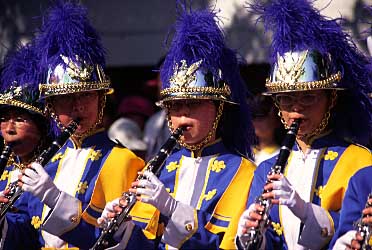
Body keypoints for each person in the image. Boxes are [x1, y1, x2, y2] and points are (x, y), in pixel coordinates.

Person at [98, 3, 256, 249]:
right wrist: (122, 230)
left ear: (219, 108)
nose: (182, 114)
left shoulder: (242, 171)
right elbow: (147, 242)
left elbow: (226, 243)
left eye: (192, 105)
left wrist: (172, 208)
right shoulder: (161, 166)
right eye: (174, 106)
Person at [0, 1, 144, 249]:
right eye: (66, 99)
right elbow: (26, 237)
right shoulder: (48, 161)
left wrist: (56, 199)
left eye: (85, 95)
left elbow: (111, 240)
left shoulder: (123, 161)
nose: (77, 106)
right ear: (52, 107)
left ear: (101, 99)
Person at [236, 0, 372, 249]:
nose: (296, 108)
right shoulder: (266, 168)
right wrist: (253, 237)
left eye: (308, 97)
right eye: (287, 98)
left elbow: (355, 233)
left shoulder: (360, 161)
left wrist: (306, 212)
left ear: (331, 99)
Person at [0, 43, 52, 249]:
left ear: (41, 127)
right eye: (4, 119)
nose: (9, 128)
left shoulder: (53, 168)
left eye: (20, 119)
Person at [248, 95, 284, 166]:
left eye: (261, 117)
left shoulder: (281, 155)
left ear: (276, 119)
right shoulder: (244, 152)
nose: (256, 121)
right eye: (253, 116)